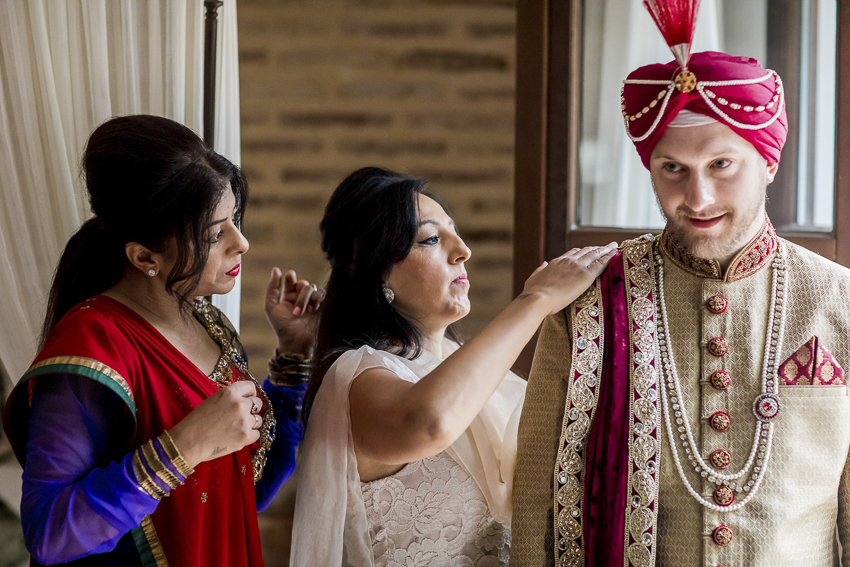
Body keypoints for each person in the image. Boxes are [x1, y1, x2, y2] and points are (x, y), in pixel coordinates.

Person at [511, 3, 850, 566]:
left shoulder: (840, 301)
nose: (698, 198)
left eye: (722, 165)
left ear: (768, 161)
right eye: (674, 169)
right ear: (650, 168)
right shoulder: (590, 301)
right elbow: (535, 507)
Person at [1, 115, 321, 566]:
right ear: (144, 256)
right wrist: (185, 446)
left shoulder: (207, 323)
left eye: (235, 221)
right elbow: (50, 534)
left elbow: (239, 495)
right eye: (215, 234)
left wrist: (292, 356)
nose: (242, 243)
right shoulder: (94, 347)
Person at [288, 166, 618, 565]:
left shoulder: (480, 376)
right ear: (377, 271)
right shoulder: (359, 377)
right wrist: (537, 300)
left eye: (454, 231)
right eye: (431, 239)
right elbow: (431, 423)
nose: (463, 250)